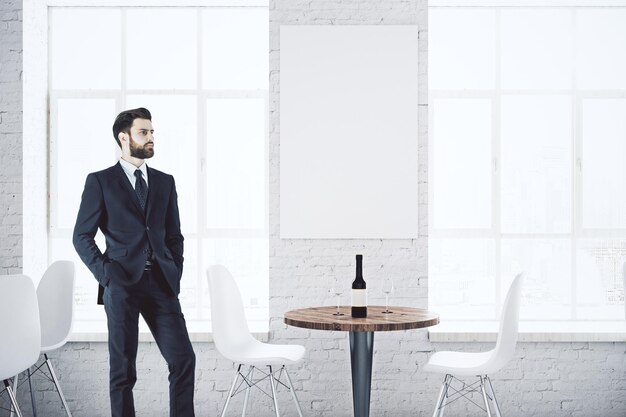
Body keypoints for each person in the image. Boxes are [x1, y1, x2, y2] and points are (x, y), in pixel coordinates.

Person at [73, 107, 196, 417]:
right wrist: (106, 274)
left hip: (162, 284)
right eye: (144, 132)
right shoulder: (100, 181)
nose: (151, 137)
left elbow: (174, 235)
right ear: (124, 137)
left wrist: (175, 268)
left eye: (153, 132)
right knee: (123, 370)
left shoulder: (165, 182)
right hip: (121, 285)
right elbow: (81, 236)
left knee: (183, 360)